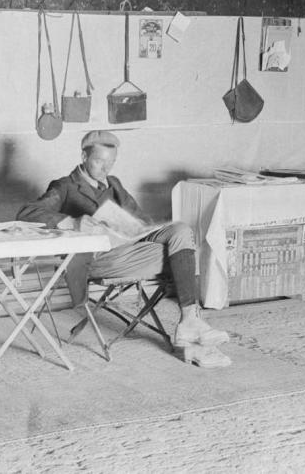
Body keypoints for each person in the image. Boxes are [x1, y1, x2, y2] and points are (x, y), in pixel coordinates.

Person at [17, 130, 231, 368]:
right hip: (98, 259)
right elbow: (27, 213)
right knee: (184, 252)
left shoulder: (114, 184)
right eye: (99, 161)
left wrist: (135, 227)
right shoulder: (65, 186)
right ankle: (191, 330)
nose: (105, 169)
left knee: (181, 231)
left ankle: (190, 322)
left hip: (129, 249)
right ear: (83, 156)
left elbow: (142, 221)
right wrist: (74, 222)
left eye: (111, 162)